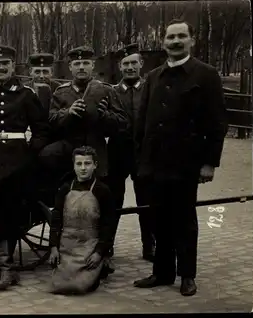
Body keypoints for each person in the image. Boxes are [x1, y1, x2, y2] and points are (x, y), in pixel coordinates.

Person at [133, 19, 227, 296]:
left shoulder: (206, 75)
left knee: (184, 220)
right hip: (154, 163)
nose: (175, 41)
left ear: (191, 41)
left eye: (181, 37)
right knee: (158, 219)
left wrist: (209, 162)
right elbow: (142, 121)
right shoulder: (153, 77)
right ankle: (162, 273)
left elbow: (217, 122)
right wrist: (140, 159)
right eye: (170, 37)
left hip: (185, 163)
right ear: (163, 42)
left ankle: (187, 275)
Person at [0, 45, 50, 291]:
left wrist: (30, 153)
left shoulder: (26, 95)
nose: (1, 68)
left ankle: (7, 266)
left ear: (14, 66)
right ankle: (6, 265)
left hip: (18, 159)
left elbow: (42, 129)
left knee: (14, 208)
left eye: (6, 64)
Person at [39, 46, 128, 194]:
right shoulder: (61, 93)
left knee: (98, 197)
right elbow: (50, 121)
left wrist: (104, 116)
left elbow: (122, 122)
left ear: (93, 65)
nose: (81, 67)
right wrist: (68, 113)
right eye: (77, 64)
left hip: (97, 155)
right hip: (68, 156)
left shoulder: (105, 90)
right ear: (70, 67)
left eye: (86, 63)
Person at [106, 43, 155, 262]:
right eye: (125, 64)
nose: (130, 67)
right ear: (119, 67)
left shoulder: (150, 89)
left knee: (146, 202)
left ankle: (149, 245)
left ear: (141, 64)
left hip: (144, 154)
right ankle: (107, 245)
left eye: (134, 63)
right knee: (112, 201)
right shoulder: (111, 92)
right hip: (117, 153)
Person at [48, 146, 116, 294]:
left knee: (81, 287)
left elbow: (108, 225)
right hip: (67, 247)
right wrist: (53, 247)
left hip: (89, 248)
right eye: (79, 164)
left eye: (87, 163)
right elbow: (56, 219)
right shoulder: (65, 189)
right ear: (73, 166)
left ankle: (101, 266)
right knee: (59, 287)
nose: (83, 168)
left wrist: (99, 253)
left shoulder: (102, 190)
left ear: (95, 165)